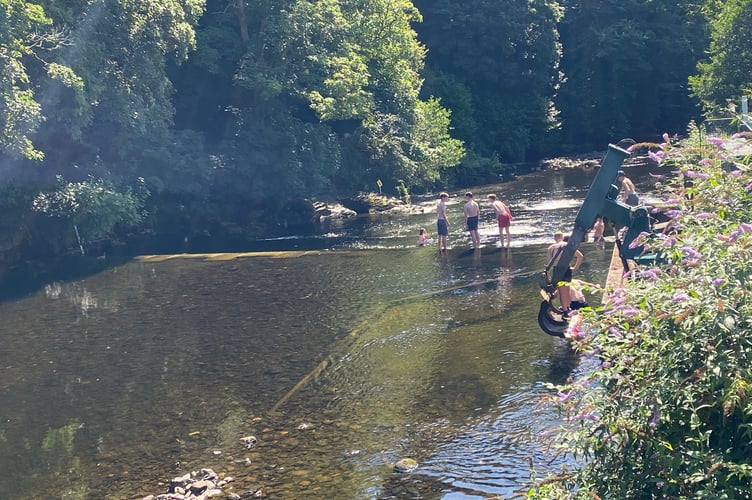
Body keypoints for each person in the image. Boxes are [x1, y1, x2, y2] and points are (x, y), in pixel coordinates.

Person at [546, 232, 584, 312]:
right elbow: (580, 256)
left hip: (557, 270)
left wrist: (548, 276)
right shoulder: (568, 245)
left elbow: (548, 264)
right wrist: (575, 267)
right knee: (567, 290)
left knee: (562, 292)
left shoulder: (551, 248)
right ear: (562, 237)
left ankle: (565, 311)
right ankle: (569, 308)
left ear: (554, 238)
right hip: (567, 269)